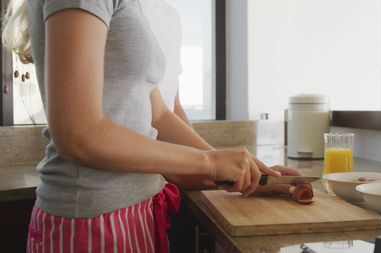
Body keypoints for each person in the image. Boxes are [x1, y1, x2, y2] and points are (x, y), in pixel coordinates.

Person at [2, 0, 301, 252]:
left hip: (134, 213)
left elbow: (159, 115)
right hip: (91, 223)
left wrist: (243, 172)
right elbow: (77, 132)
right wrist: (210, 162)